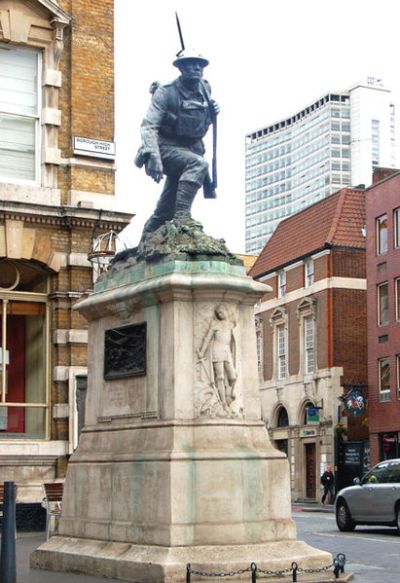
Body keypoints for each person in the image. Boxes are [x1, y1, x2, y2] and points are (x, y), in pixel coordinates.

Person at [135, 49, 219, 239]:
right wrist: (154, 157)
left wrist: (212, 112)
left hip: (190, 149)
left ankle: (146, 239)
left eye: (201, 65)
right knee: (198, 164)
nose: (197, 68)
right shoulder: (166, 92)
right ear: (180, 67)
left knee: (165, 209)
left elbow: (196, 122)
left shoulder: (205, 88)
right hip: (165, 148)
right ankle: (183, 218)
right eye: (191, 63)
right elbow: (149, 126)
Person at [197, 305, 237, 413]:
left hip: (227, 351)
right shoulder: (215, 324)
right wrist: (202, 351)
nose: (220, 314)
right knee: (220, 377)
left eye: (221, 311)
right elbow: (207, 338)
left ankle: (229, 394)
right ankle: (223, 402)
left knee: (233, 377)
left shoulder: (230, 325)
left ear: (225, 310)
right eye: (218, 313)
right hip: (217, 350)